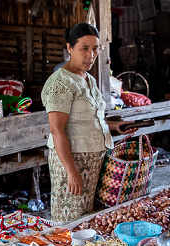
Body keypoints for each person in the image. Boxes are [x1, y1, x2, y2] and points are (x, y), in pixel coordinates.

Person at [41, 23, 135, 224]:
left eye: (95, 49)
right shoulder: (60, 82)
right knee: (71, 221)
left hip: (97, 160)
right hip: (74, 161)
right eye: (84, 48)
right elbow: (56, 130)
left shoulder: (88, 79)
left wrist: (114, 126)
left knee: (92, 219)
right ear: (69, 48)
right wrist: (71, 172)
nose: (91, 55)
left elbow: (90, 119)